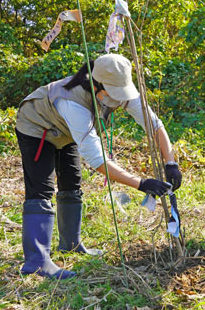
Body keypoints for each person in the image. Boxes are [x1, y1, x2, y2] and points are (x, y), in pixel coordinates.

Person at [15, 53, 182, 279]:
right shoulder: (73, 104)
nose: (118, 100)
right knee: (42, 189)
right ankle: (37, 262)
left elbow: (154, 124)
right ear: (97, 87)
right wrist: (141, 184)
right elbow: (98, 160)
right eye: (114, 95)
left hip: (66, 132)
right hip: (37, 126)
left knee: (72, 182)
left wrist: (170, 162)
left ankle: (71, 244)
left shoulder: (119, 88)